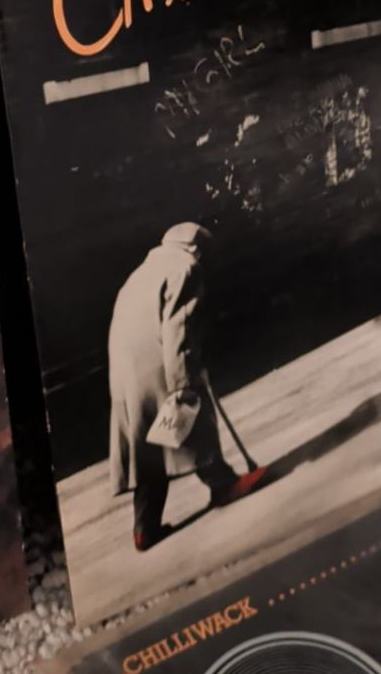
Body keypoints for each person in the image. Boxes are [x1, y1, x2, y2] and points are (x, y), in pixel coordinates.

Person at [108, 222, 264, 550]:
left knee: (148, 446)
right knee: (191, 416)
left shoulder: (138, 275)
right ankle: (223, 484)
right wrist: (183, 383)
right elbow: (178, 331)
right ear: (198, 249)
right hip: (158, 362)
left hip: (124, 374)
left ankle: (144, 527)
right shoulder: (185, 269)